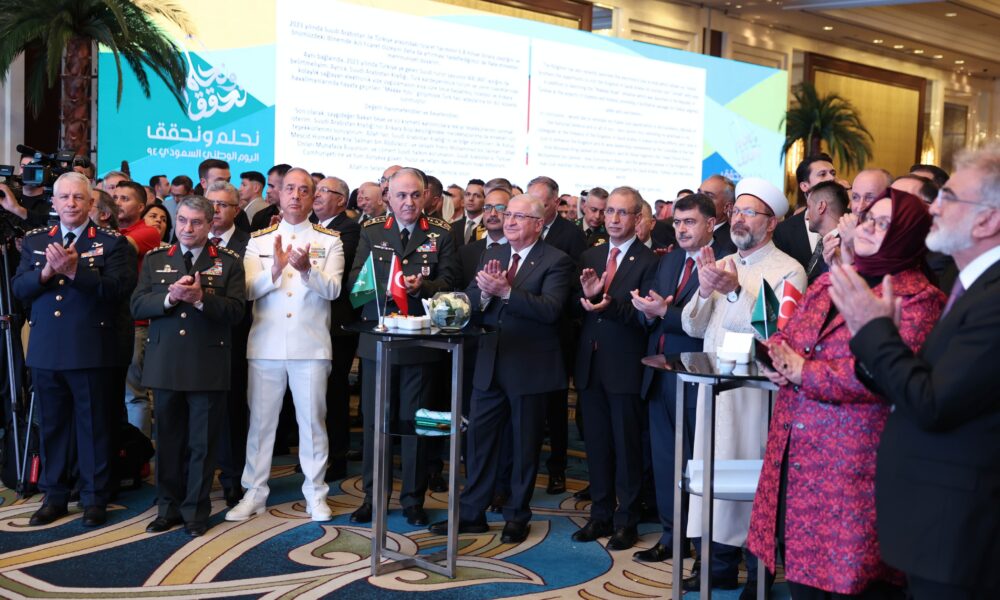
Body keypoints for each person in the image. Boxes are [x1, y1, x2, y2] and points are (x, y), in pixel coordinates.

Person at [747, 189, 944, 598]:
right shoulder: (830, 283)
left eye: (883, 223)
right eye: (868, 218)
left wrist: (804, 372)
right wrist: (777, 360)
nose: (868, 228)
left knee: (852, 581)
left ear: (907, 233)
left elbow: (881, 375)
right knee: (801, 578)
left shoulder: (920, 299)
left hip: (854, 469)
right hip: (795, 457)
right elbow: (788, 336)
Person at [829, 146, 1000, 599]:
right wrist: (880, 342)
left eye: (949, 198)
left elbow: (934, 404)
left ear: (987, 220)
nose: (934, 209)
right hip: (937, 525)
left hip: (961, 532)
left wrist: (873, 330)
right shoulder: (973, 285)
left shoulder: (993, 298)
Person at [680, 177, 807, 593]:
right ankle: (717, 564)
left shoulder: (789, 269)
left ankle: (757, 573)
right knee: (713, 476)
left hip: (756, 396)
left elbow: (779, 331)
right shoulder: (720, 261)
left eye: (749, 213)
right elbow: (692, 327)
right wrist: (704, 290)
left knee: (754, 482)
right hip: (714, 389)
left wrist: (735, 292)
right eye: (736, 211)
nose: (738, 219)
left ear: (771, 223)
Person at [429, 194, 574, 543]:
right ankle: (471, 513)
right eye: (508, 214)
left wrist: (507, 292)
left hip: (530, 368)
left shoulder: (556, 260)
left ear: (538, 224)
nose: (509, 221)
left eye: (518, 216)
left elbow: (551, 310)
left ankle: (516, 516)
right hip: (489, 362)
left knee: (523, 447)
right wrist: (480, 296)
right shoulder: (492, 254)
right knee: (479, 442)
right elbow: (471, 301)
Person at [15, 172, 136, 527]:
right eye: (64, 197)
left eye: (78, 197)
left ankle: (94, 497)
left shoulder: (112, 243)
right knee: (53, 427)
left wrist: (74, 272)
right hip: (47, 350)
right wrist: (45, 274)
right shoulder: (37, 240)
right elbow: (19, 288)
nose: (71, 203)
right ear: (53, 202)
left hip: (90, 350)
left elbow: (118, 291)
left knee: (93, 426)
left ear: (91, 203)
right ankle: (54, 496)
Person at [226, 167, 345, 523]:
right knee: (261, 425)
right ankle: (254, 492)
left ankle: (315, 493)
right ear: (278, 194)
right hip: (266, 345)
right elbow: (247, 290)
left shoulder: (330, 240)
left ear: (313, 197)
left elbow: (333, 290)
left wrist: (308, 270)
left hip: (311, 346)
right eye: (289, 188)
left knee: (313, 423)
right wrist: (274, 271)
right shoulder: (259, 240)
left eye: (303, 190)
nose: (295, 195)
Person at [347, 167, 458, 526]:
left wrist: (422, 287)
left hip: (421, 342)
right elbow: (355, 282)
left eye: (415, 195)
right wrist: (388, 286)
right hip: (379, 339)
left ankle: (413, 498)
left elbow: (450, 281)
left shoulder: (441, 233)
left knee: (417, 425)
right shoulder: (372, 231)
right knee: (374, 423)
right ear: (388, 198)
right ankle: (373, 497)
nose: (408, 202)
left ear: (425, 196)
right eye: (401, 195)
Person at [132, 196, 246, 537]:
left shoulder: (228, 262)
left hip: (207, 364)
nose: (187, 228)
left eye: (196, 222)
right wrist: (170, 298)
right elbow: (137, 305)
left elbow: (236, 312)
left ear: (210, 224)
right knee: (168, 442)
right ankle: (167, 508)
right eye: (182, 220)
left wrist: (200, 299)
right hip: (166, 363)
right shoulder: (156, 259)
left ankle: (195, 511)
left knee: (202, 444)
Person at [630, 193, 729, 564]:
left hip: (697, 376)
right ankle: (672, 536)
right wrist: (647, 312)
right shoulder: (670, 259)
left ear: (710, 224)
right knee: (666, 462)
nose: (682, 229)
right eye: (677, 222)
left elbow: (709, 325)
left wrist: (663, 312)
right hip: (660, 374)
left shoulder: (724, 261)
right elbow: (653, 309)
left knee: (698, 463)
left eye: (690, 222)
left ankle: (704, 545)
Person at [571, 187, 657, 549]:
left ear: (637, 219)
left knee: (627, 449)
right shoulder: (590, 254)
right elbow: (575, 308)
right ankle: (600, 515)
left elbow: (645, 318)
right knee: (597, 446)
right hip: (590, 365)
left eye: (623, 213)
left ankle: (627, 521)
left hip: (625, 367)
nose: (614, 219)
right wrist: (589, 298)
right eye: (610, 212)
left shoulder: (650, 261)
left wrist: (607, 304)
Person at [527, 175, 586, 494]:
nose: (534, 206)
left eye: (541, 201)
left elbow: (574, 284)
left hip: (556, 330)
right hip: (524, 330)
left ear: (555, 202)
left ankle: (557, 468)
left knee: (555, 405)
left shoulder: (570, 234)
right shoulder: (521, 230)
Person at [204, 181, 252, 507]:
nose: (217, 210)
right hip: (197, 339)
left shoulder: (251, 244)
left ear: (236, 209)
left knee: (233, 411)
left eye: (223, 204)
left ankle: (233, 478)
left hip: (236, 336)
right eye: (212, 203)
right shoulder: (191, 238)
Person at [313, 176, 362, 482]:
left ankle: (338, 456)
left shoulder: (349, 229)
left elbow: (334, 273)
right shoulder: (310, 226)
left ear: (341, 200)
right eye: (316, 190)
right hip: (310, 321)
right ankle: (317, 454)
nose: (316, 195)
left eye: (324, 191)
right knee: (313, 393)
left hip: (337, 325)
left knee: (334, 392)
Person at [774, 153, 837, 270]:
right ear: (804, 186)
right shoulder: (783, 231)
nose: (831, 178)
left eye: (833, 173)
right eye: (823, 174)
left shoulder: (850, 221)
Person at [698, 174, 738, 256]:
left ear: (727, 207)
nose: (698, 200)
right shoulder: (686, 232)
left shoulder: (733, 244)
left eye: (709, 196)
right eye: (699, 193)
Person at [452, 178, 487, 247]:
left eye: (477, 195)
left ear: (485, 200)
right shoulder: (452, 227)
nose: (470, 199)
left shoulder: (489, 226)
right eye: (467, 194)